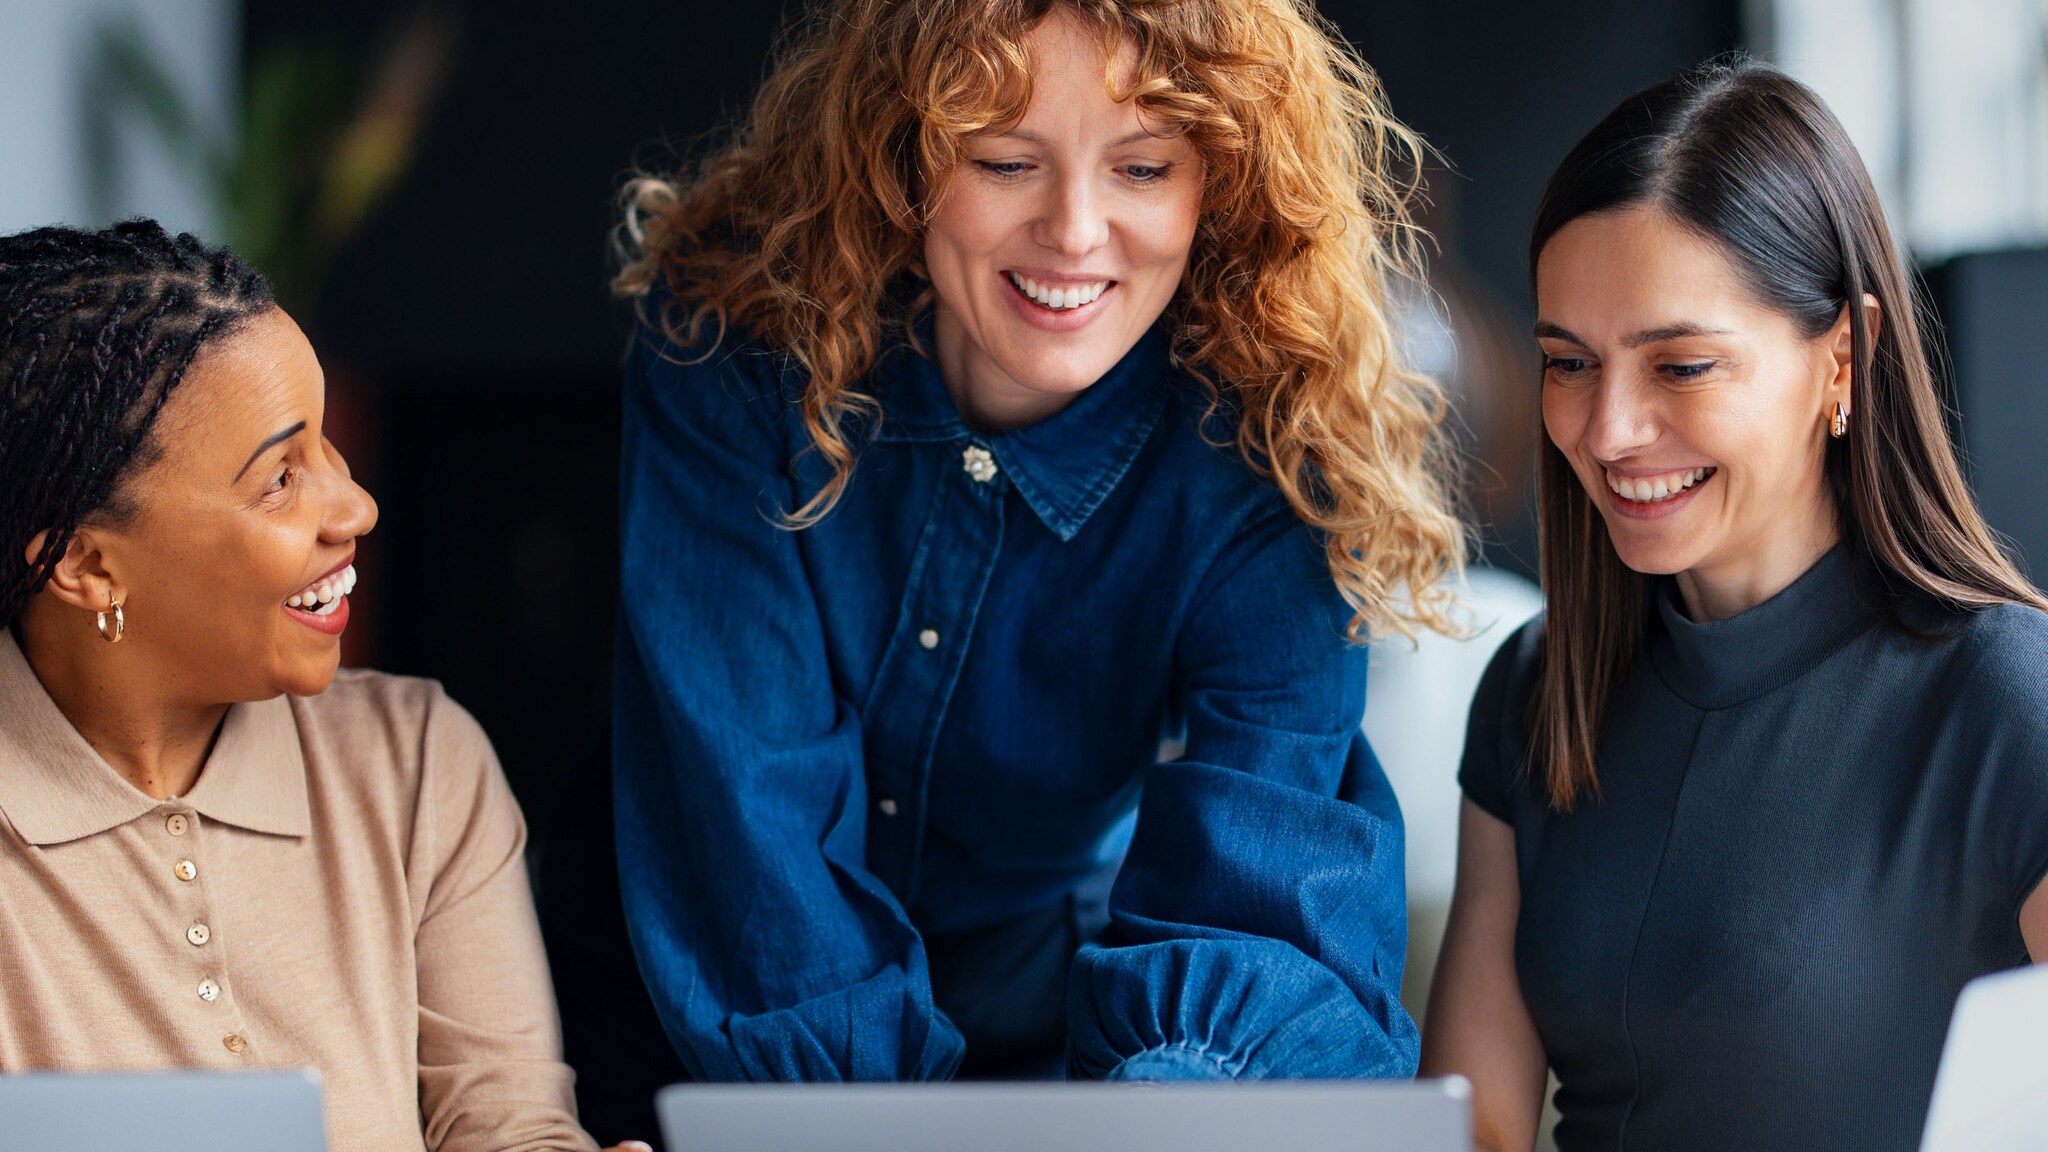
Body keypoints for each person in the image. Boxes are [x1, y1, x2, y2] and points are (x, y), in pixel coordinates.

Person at [606, 0, 1464, 1083]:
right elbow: (742, 828)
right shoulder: (731, 346)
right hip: (706, 1033)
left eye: (1144, 169)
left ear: (1225, 182)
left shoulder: (1273, 441)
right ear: (899, 155)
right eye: (1004, 160)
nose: (1072, 230)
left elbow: (1265, 904)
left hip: (1057, 1032)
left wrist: (1155, 1111)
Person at [1420, 59, 2048, 1152]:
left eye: (1681, 366)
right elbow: (1475, 1130)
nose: (1607, 429)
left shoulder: (2002, 699)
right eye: (1568, 362)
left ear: (1840, 359)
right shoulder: (1534, 689)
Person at [0, 221, 642, 1152]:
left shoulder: (416, 762)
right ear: (86, 565)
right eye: (279, 479)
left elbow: (507, 1125)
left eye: (329, 448)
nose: (356, 507)